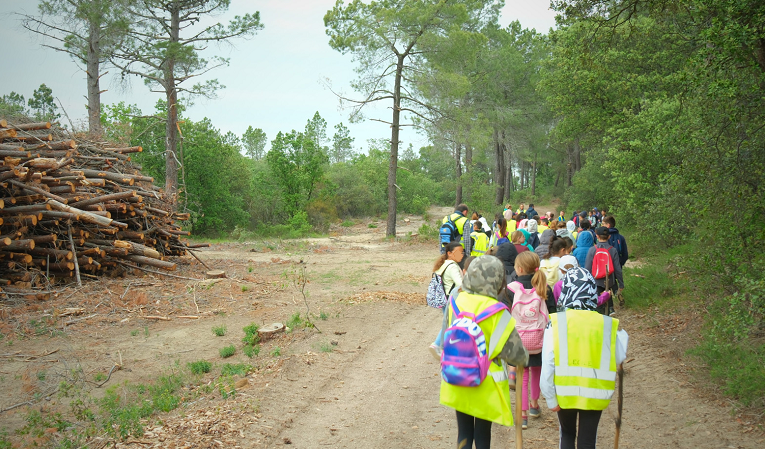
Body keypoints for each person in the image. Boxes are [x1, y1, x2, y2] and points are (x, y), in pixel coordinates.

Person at [439, 256, 529, 449]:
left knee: (463, 432)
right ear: (498, 280)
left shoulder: (455, 301)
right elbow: (517, 356)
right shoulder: (499, 312)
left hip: (457, 377)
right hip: (485, 383)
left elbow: (445, 336)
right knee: (482, 435)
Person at [540, 267, 629, 449]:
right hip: (595, 393)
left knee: (567, 434)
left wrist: (550, 398)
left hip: (565, 393)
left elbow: (548, 364)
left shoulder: (556, 323)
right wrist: (623, 337)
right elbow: (619, 357)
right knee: (588, 439)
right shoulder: (606, 324)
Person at [509, 251, 555, 430]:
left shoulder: (511, 288)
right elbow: (553, 314)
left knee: (523, 375)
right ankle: (535, 405)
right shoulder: (544, 287)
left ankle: (523, 414)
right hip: (539, 340)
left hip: (518, 341)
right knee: (536, 370)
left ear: (519, 269)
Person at [585, 227, 624, 316]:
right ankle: (610, 309)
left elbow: (587, 268)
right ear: (609, 237)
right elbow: (618, 269)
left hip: (596, 281)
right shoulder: (613, 250)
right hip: (609, 280)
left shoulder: (592, 250)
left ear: (597, 236)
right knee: (608, 293)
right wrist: (621, 284)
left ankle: (600, 313)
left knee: (598, 301)